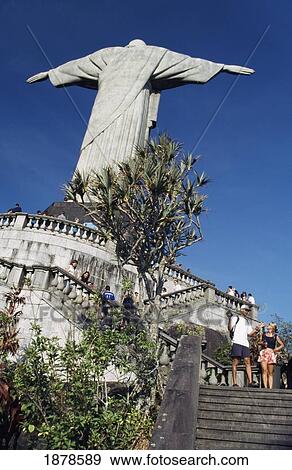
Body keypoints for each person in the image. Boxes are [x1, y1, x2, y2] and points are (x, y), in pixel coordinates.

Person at [228, 305, 264, 387]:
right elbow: (230, 329)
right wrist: (229, 319)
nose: (247, 312)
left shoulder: (247, 321)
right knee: (235, 362)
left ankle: (250, 382)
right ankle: (234, 382)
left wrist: (258, 328)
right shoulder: (235, 318)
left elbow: (250, 334)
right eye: (245, 310)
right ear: (241, 310)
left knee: (248, 362)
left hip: (245, 344)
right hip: (236, 342)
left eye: (248, 311)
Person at [258, 323, 284, 389]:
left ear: (273, 328)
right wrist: (263, 343)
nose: (268, 327)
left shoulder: (275, 336)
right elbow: (258, 342)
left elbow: (282, 345)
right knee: (264, 370)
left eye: (270, 326)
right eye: (268, 326)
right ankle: (265, 387)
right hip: (264, 353)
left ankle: (270, 388)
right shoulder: (263, 334)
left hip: (271, 353)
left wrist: (276, 349)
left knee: (270, 372)